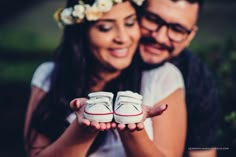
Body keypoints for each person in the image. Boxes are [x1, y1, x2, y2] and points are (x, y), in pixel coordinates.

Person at [24, 0, 187, 157]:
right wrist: (84, 127)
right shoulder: (49, 74)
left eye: (130, 23)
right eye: (105, 28)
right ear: (81, 32)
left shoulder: (162, 77)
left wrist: (131, 128)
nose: (123, 38)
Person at [138, 0, 220, 156]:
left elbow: (202, 153)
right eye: (152, 19)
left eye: (177, 29)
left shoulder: (197, 78)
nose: (160, 37)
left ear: (190, 36)